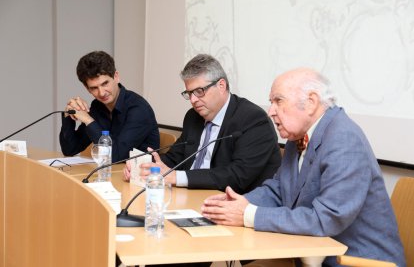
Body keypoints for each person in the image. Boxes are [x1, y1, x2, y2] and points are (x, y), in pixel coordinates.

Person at [201, 68, 405, 266]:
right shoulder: (298, 135)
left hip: (356, 262)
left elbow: (326, 219)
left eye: (278, 101)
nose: (270, 111)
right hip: (311, 255)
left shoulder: (344, 139)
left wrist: (247, 214)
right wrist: (236, 204)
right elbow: (278, 189)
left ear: (311, 102)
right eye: (271, 102)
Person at [123, 54, 282, 194]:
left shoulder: (253, 119)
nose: (193, 100)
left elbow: (237, 175)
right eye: (189, 93)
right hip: (192, 196)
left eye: (199, 91)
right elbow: (175, 157)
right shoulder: (193, 117)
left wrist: (177, 177)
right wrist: (143, 167)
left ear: (221, 85)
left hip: (232, 204)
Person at [60, 50, 159, 162]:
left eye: (105, 84)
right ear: (87, 88)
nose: (101, 93)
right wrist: (69, 114)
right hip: (111, 174)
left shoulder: (138, 109)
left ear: (116, 77)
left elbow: (116, 156)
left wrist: (88, 120)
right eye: (94, 88)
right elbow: (70, 149)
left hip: (140, 176)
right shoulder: (98, 106)